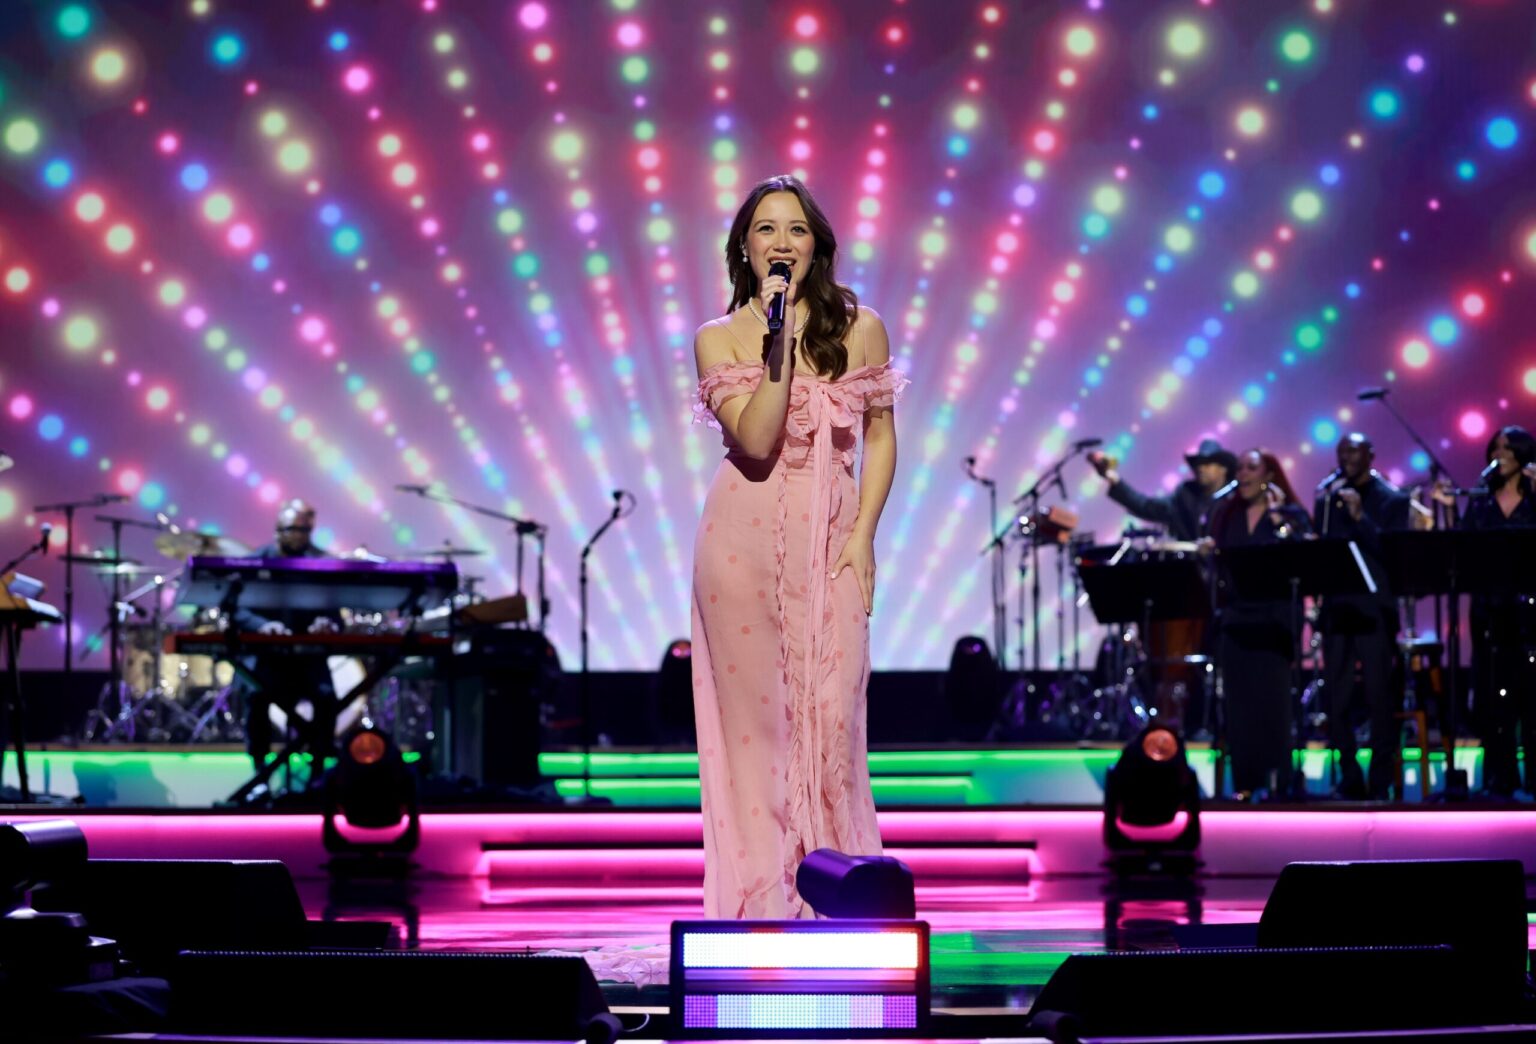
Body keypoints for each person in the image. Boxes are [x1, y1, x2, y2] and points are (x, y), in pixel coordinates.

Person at [691, 174, 906, 918]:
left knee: (835, 712)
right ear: (743, 249)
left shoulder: (861, 326)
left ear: (818, 246)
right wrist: (778, 340)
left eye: (796, 230)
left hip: (833, 540)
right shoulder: (718, 338)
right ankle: (762, 904)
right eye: (765, 230)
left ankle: (842, 892)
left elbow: (881, 438)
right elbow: (755, 438)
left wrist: (864, 536)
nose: (781, 243)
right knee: (758, 733)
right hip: (742, 543)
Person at [1206, 448, 1312, 800]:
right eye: (1240, 467)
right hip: (1237, 622)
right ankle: (1245, 784)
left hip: (1275, 623)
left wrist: (1283, 523)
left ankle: (1279, 780)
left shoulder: (1290, 514)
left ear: (1268, 474)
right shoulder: (1226, 515)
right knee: (1239, 707)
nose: (1243, 473)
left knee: (1274, 705)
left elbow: (1305, 561)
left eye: (1251, 467)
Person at [1313, 433, 1413, 799]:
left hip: (1374, 610)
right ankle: (1350, 776)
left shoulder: (1391, 499)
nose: (1346, 457)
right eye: (1341, 451)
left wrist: (1361, 518)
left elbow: (1394, 553)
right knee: (1336, 699)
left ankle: (1381, 779)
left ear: (1370, 456)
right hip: (1338, 609)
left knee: (1378, 695)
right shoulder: (1327, 498)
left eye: (1353, 451)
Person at [234, 499, 341, 775]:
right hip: (268, 657)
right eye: (293, 529)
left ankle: (318, 767)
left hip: (306, 658)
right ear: (278, 529)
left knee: (327, 697)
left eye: (305, 531)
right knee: (257, 695)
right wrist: (262, 626)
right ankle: (259, 768)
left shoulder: (321, 564)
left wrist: (326, 622)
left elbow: (335, 614)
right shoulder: (256, 562)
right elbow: (236, 609)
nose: (299, 536)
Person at [1459, 425, 1536, 798]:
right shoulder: (1481, 503)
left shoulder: (1534, 498)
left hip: (1530, 616)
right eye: (1495, 448)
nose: (1500, 454)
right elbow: (1462, 555)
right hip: (1489, 614)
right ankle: (1499, 780)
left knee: (1531, 699)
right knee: (1494, 697)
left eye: (1508, 447)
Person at [1090, 437, 1238, 542]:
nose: (1200, 468)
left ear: (1223, 468)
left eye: (1207, 463)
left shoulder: (1236, 500)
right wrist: (1112, 478)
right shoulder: (1185, 497)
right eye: (1198, 463)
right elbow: (1146, 506)